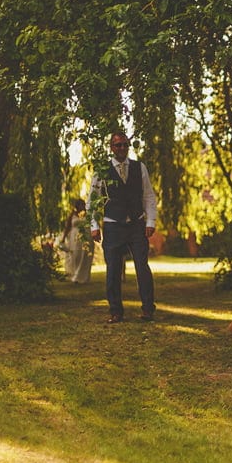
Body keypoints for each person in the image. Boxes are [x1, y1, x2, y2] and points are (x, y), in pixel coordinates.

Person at [89, 131, 158, 324]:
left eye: (124, 145)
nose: (121, 148)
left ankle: (147, 309)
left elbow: (148, 196)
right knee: (113, 270)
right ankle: (115, 311)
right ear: (111, 147)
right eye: (117, 145)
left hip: (136, 224)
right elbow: (93, 200)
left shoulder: (139, 167)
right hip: (112, 225)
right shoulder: (102, 170)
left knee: (142, 268)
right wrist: (94, 225)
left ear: (128, 146)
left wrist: (150, 221)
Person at [62, 198, 93, 284]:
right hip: (75, 238)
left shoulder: (88, 214)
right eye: (80, 204)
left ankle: (84, 277)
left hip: (86, 237)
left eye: (83, 204)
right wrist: (63, 238)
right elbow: (68, 227)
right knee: (76, 256)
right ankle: (76, 276)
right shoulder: (72, 215)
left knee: (85, 257)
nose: (82, 206)